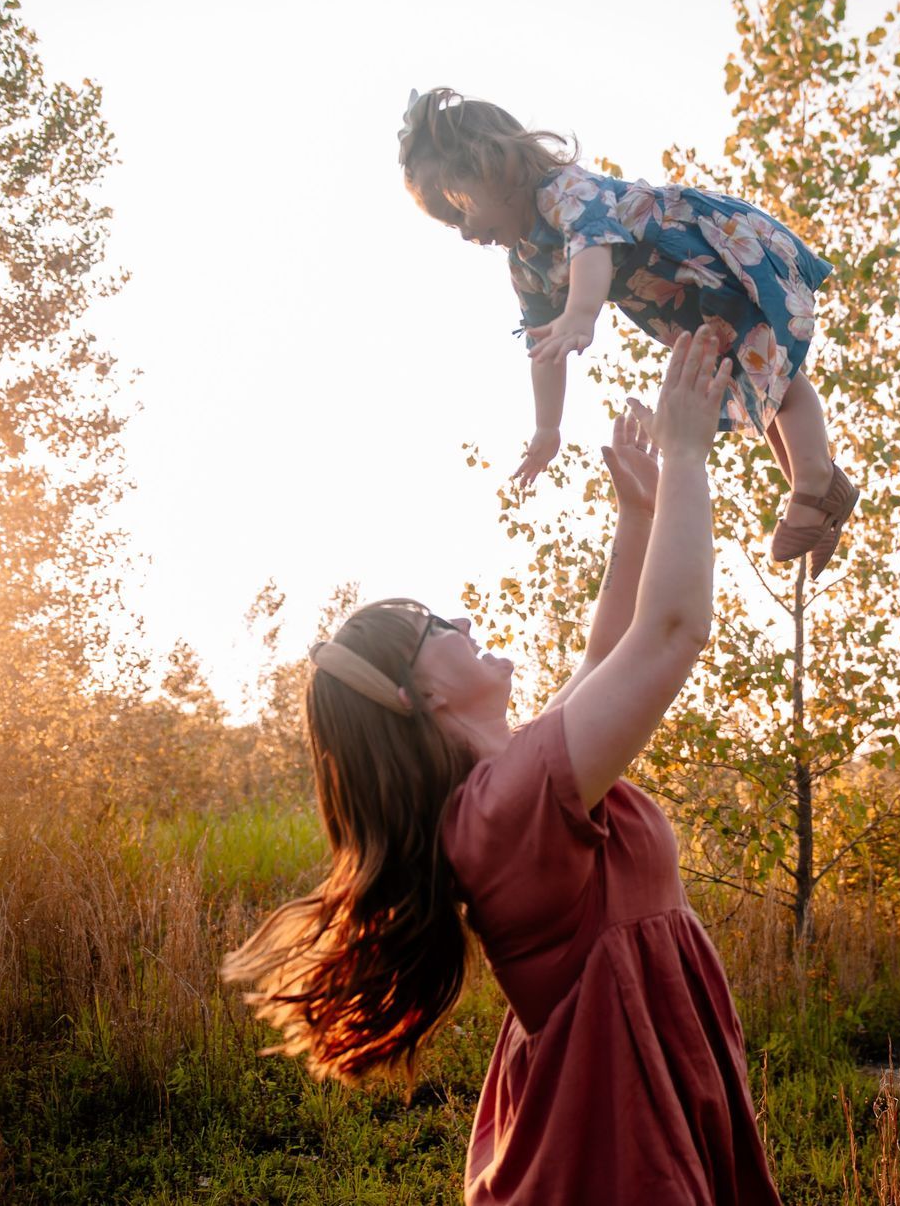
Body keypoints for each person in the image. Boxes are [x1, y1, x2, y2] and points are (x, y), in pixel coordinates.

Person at [223, 327, 782, 1205]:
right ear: (418, 701)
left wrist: (636, 517)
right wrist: (684, 455)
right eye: (434, 631)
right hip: (610, 1140)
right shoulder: (509, 807)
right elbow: (671, 633)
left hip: (641, 1094)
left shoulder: (510, 788)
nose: (460, 623)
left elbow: (606, 655)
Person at [397, 85, 857, 578]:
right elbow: (542, 347)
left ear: (492, 168)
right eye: (452, 227)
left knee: (774, 373)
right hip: (685, 300)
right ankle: (826, 491)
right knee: (748, 382)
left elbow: (592, 246)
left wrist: (581, 313)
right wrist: (547, 427)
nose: (466, 234)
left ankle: (812, 481)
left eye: (462, 212)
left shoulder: (562, 191)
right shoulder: (527, 262)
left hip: (703, 256)